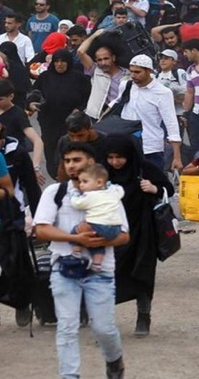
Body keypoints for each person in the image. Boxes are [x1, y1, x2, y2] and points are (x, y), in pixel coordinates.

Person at [33, 142, 129, 379]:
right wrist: (74, 237)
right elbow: (41, 230)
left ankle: (114, 359)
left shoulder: (110, 194)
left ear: (91, 163)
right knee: (67, 327)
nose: (71, 166)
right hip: (64, 268)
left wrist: (100, 242)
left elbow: (124, 235)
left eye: (77, 160)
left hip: (100, 271)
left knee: (103, 329)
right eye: (67, 161)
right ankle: (70, 376)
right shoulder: (55, 193)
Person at [104, 134, 174, 338]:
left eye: (120, 157)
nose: (115, 162)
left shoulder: (145, 169)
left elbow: (168, 188)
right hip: (114, 232)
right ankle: (104, 321)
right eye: (111, 157)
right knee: (110, 274)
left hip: (143, 230)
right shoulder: (103, 172)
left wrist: (154, 188)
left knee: (143, 272)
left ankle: (143, 315)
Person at [108, 54, 183, 171]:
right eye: (131, 72)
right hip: (126, 147)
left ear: (149, 71)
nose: (133, 75)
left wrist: (177, 157)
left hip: (150, 148)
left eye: (137, 72)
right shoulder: (126, 85)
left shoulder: (163, 93)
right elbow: (115, 105)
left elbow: (171, 124)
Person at [27, 48, 91, 177]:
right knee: (51, 150)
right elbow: (34, 93)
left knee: (70, 149)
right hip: (49, 121)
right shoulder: (45, 77)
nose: (59, 64)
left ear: (68, 62)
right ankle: (55, 176)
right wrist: (31, 103)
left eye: (63, 61)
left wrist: (80, 109)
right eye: (56, 61)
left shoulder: (79, 78)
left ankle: (71, 175)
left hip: (71, 122)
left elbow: (88, 97)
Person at [69, 164, 124, 272]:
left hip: (98, 225)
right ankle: (97, 263)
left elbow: (77, 204)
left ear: (98, 182)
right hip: (116, 228)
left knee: (75, 231)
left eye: (85, 182)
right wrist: (110, 186)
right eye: (80, 182)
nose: (81, 185)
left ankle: (76, 252)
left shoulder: (90, 196)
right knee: (98, 244)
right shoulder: (113, 192)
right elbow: (120, 190)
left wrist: (74, 194)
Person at [77, 29, 131, 119]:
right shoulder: (95, 70)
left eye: (106, 58)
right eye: (99, 60)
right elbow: (80, 52)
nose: (103, 63)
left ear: (113, 58)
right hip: (97, 116)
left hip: (121, 115)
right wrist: (95, 35)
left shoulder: (127, 74)